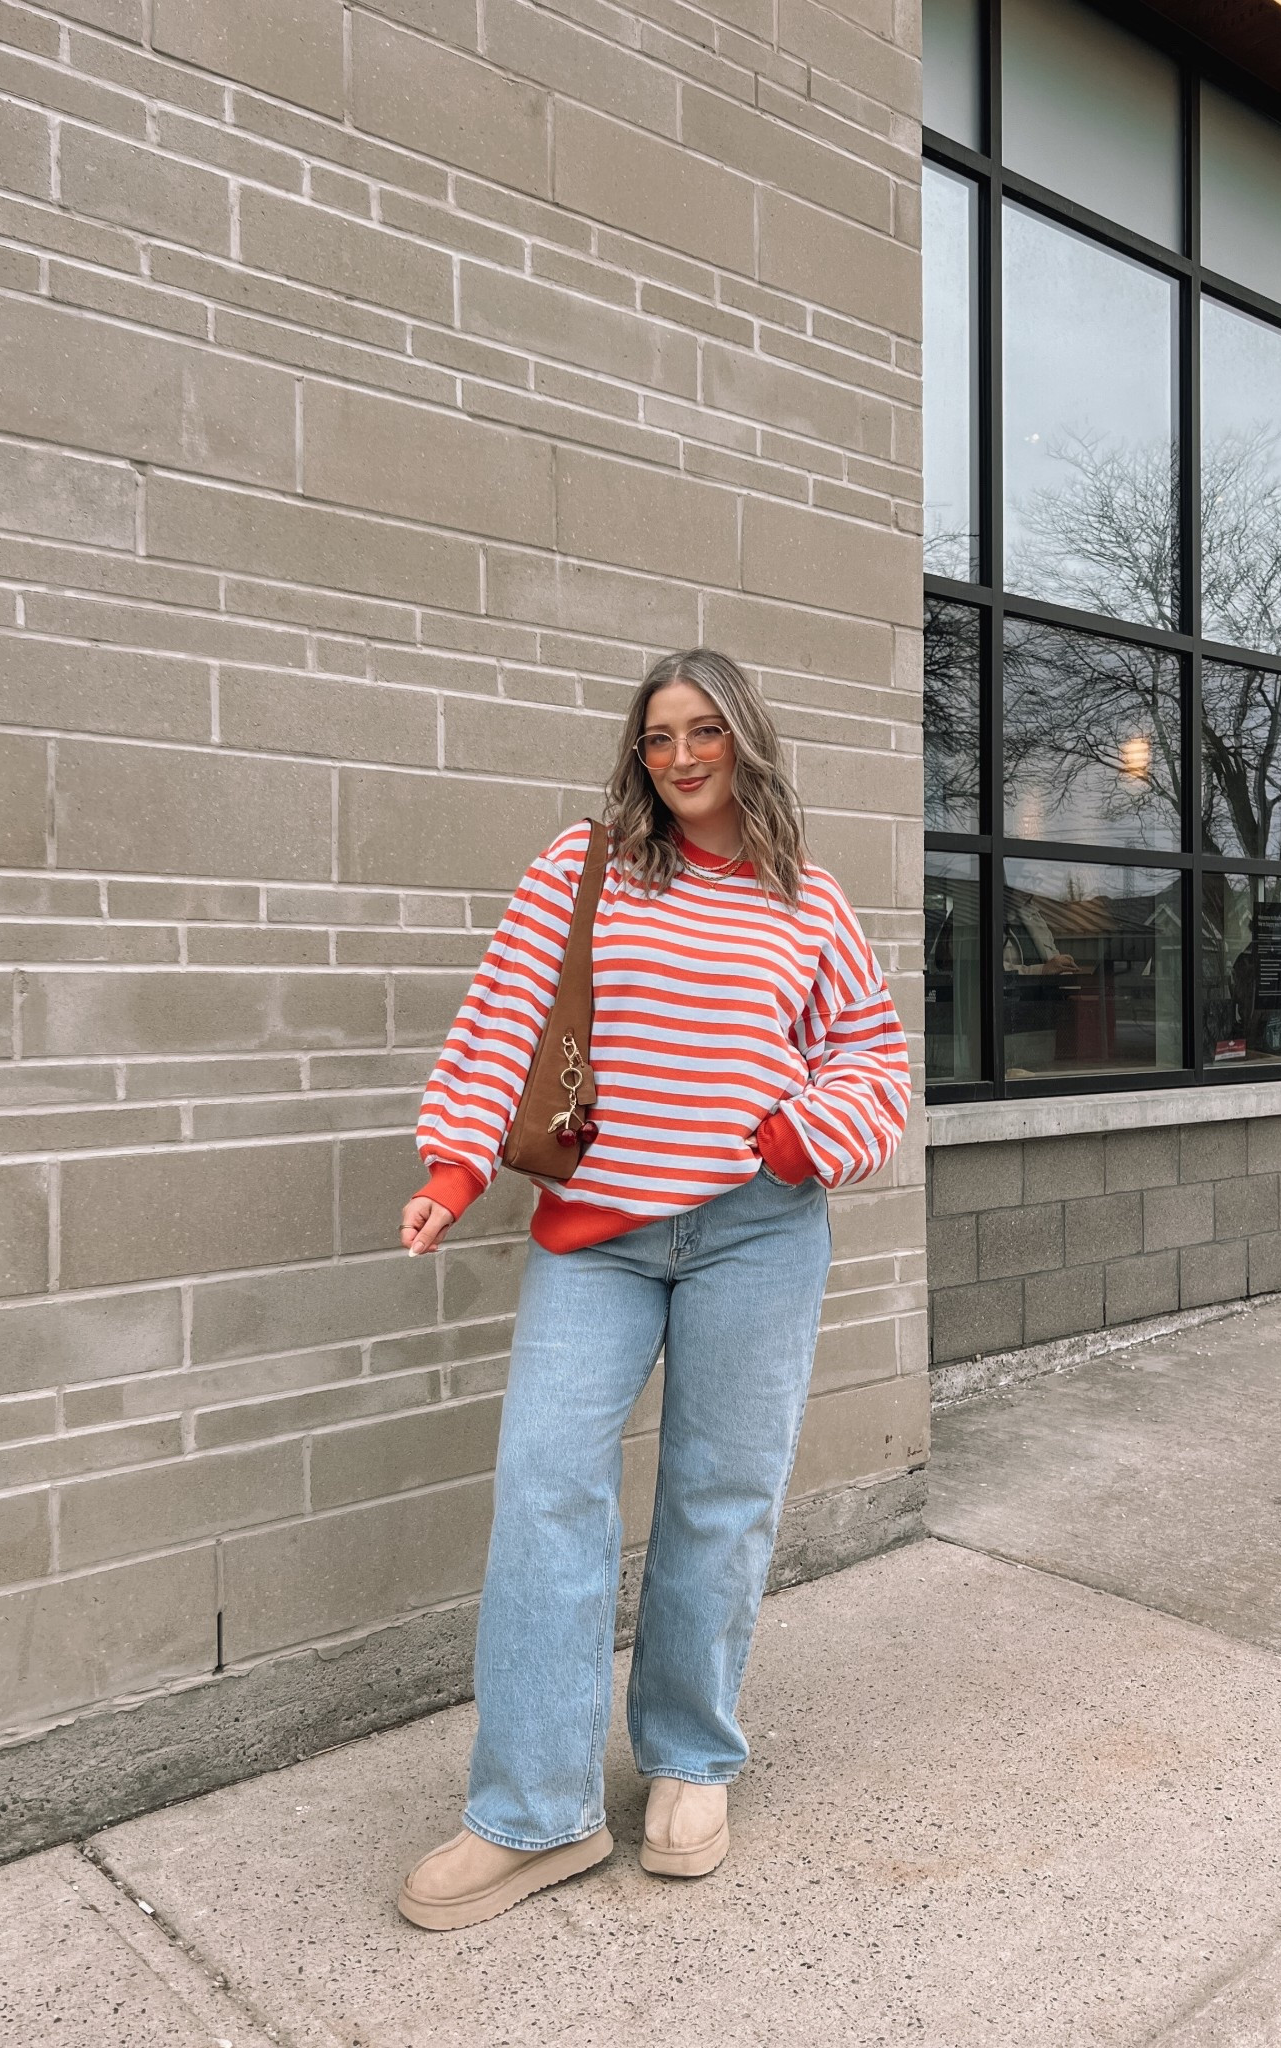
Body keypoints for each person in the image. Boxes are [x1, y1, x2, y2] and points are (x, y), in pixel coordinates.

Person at [395, 647, 912, 1931]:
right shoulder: (586, 872)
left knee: (719, 1498)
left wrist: (804, 1133)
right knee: (547, 1488)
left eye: (704, 733)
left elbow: (876, 1057)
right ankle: (532, 1813)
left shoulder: (809, 900)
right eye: (657, 737)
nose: (679, 758)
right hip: (599, 1237)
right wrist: (454, 1168)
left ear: (748, 737)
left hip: (757, 1232)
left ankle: (690, 1759)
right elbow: (505, 1016)